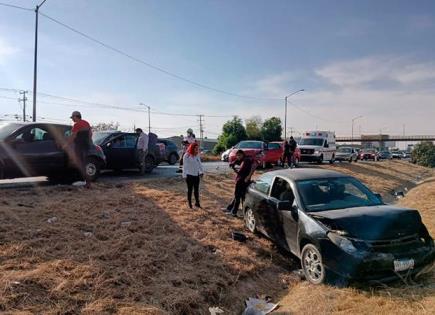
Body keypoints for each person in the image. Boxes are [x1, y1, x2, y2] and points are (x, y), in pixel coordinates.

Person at [224, 150, 256, 217]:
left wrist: (248, 176)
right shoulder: (242, 160)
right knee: (237, 195)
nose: (237, 157)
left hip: (242, 181)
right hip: (241, 180)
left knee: (237, 196)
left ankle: (234, 212)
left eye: (239, 155)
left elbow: (254, 165)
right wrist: (232, 164)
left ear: (242, 154)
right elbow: (236, 163)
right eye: (237, 155)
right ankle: (230, 208)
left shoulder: (246, 161)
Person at [66, 111, 92, 188]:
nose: (72, 119)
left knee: (81, 164)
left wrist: (66, 145)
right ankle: (87, 182)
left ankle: (87, 184)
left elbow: (73, 136)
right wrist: (88, 141)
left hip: (79, 147)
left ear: (76, 116)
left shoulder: (77, 125)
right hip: (86, 146)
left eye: (72, 118)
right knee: (84, 164)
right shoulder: (86, 123)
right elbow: (90, 134)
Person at [182, 142, 203, 209]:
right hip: (189, 176)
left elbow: (199, 164)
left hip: (196, 175)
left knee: (196, 190)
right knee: (190, 190)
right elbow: (184, 166)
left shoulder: (197, 155)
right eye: (196, 148)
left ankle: (197, 203)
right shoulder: (186, 155)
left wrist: (201, 172)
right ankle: (190, 203)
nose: (197, 150)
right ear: (192, 148)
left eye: (198, 148)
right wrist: (184, 175)